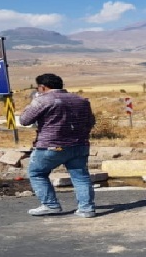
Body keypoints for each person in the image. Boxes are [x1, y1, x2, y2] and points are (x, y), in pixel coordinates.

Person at [19, 73, 97, 218]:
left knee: (37, 173)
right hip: (79, 145)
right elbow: (91, 121)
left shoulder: (43, 100)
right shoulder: (81, 100)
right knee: (80, 176)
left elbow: (24, 120)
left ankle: (50, 205)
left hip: (51, 146)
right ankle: (87, 209)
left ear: (42, 87)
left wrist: (32, 103)